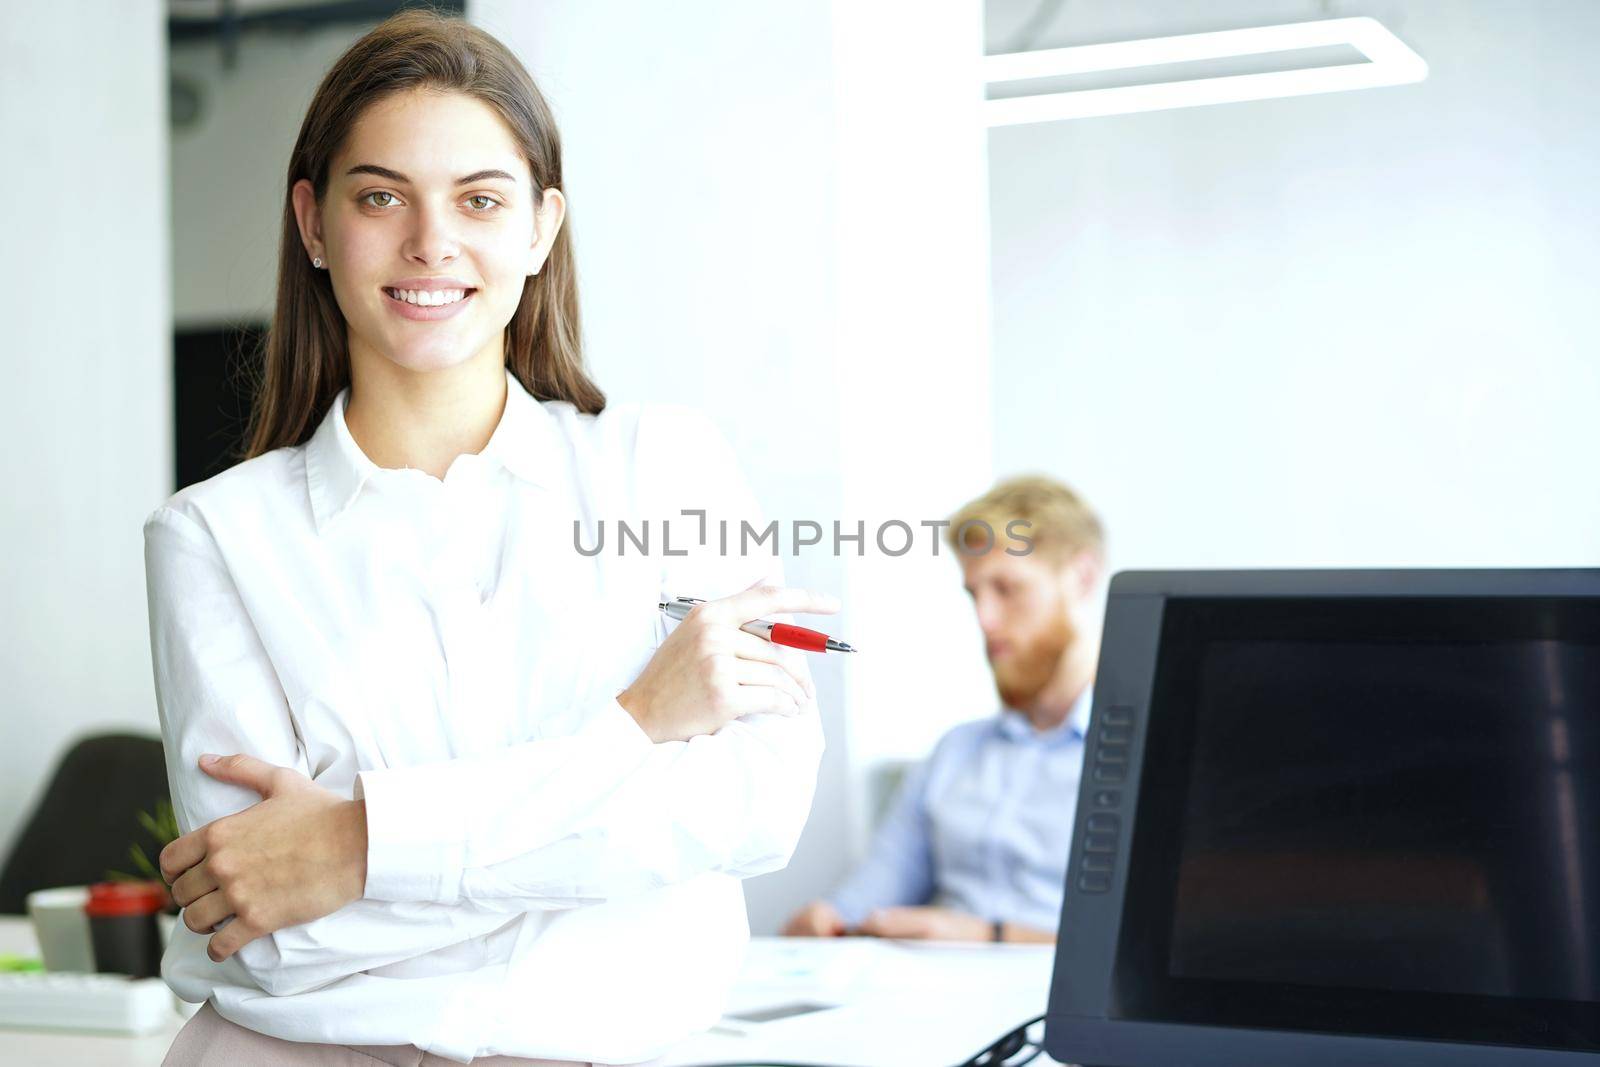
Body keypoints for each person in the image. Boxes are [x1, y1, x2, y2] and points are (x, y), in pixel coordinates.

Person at [144, 11, 829, 1066]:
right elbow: (272, 924)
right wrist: (633, 731)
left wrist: (353, 843)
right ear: (314, 224)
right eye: (380, 196)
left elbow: (753, 807)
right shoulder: (211, 536)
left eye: (479, 199)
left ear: (541, 227)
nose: (431, 242)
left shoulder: (670, 468)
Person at [783, 475, 1104, 944]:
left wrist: (987, 936)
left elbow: (1142, 944)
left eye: (1007, 588)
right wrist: (826, 920)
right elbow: (871, 892)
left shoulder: (1143, 750)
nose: (985, 620)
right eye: (974, 594)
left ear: (1082, 578)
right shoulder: (957, 751)